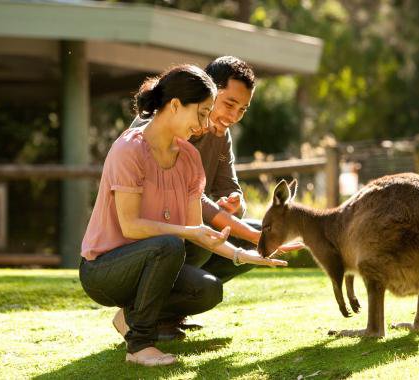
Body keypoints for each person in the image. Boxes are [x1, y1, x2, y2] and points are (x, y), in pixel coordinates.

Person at [79, 65, 287, 367]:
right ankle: (139, 345)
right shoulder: (129, 149)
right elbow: (131, 226)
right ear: (175, 106)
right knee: (171, 244)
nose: (205, 123)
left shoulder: (188, 157)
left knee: (208, 289)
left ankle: (145, 319)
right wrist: (188, 233)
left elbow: (198, 229)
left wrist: (243, 254)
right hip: (104, 268)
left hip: (155, 254)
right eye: (202, 113)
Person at [127, 57, 303, 337]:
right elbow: (191, 200)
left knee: (255, 232)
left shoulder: (221, 134)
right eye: (229, 104)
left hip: (190, 230)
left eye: (242, 109)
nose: (233, 116)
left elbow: (228, 188)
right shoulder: (165, 126)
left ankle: (168, 313)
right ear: (208, 90)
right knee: (240, 240)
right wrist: (249, 234)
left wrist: (234, 202)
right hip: (150, 240)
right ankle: (140, 310)